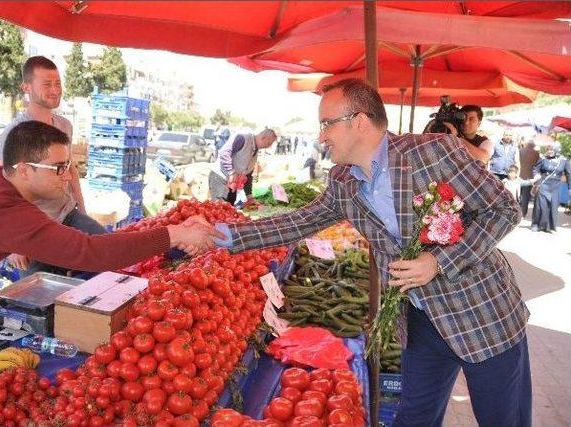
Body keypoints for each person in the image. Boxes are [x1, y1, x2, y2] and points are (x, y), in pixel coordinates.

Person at [214, 79, 530, 427]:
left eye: (326, 124)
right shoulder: (342, 181)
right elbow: (295, 223)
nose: (321, 136)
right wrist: (220, 235)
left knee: (502, 419)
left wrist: (439, 261)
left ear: (359, 121)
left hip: (482, 314)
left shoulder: (433, 152)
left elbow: (504, 210)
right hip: (421, 321)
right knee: (414, 420)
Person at [0, 120, 220, 340]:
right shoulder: (4, 213)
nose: (68, 176)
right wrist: (174, 234)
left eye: (68, 165)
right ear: (23, 170)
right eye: (57, 167)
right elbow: (89, 251)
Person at [0, 56, 102, 275]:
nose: (55, 90)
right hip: (33, 229)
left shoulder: (64, 126)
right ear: (26, 87)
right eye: (47, 84)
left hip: (67, 215)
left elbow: (70, 169)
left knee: (107, 257)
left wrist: (82, 212)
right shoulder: (13, 133)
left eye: (58, 83)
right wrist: (12, 243)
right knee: (34, 301)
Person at [209, 128, 277, 205]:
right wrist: (231, 172)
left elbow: (248, 175)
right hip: (220, 178)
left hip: (232, 184)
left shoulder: (255, 150)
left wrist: (249, 196)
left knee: (229, 209)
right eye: (268, 143)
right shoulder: (243, 138)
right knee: (219, 208)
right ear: (263, 138)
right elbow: (224, 153)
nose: (268, 147)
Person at [530, 143, 571, 233]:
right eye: (548, 149)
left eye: (552, 149)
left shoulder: (563, 160)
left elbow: (569, 174)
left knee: (553, 207)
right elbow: (535, 169)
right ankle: (535, 224)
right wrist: (536, 175)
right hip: (543, 184)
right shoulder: (543, 159)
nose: (549, 151)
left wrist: (569, 187)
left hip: (555, 187)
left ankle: (548, 227)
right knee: (540, 206)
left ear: (557, 150)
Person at [519, 140, 541, 216]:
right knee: (525, 196)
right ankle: (523, 213)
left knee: (517, 194)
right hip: (530, 177)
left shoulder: (520, 151)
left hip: (520, 175)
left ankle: (516, 211)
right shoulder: (536, 153)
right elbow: (538, 166)